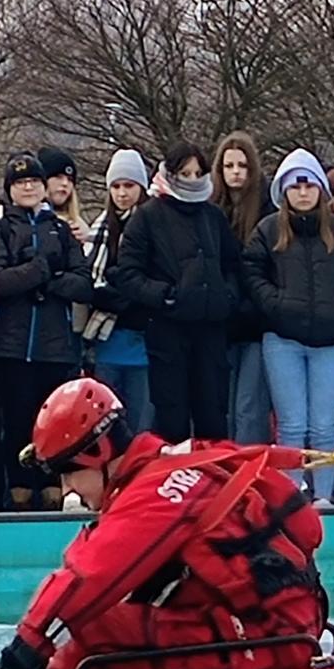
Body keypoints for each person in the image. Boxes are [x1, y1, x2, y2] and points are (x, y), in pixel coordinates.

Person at [0, 378, 330, 669]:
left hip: (269, 642)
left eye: (69, 471)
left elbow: (82, 582)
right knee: (97, 625)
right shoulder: (176, 461)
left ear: (99, 453)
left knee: (88, 640)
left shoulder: (154, 494)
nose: (68, 488)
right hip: (278, 624)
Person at [244, 149, 334, 500]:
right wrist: (275, 305)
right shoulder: (267, 231)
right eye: (295, 186)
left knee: (325, 426)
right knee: (292, 425)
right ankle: (291, 494)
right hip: (283, 339)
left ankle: (323, 497)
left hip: (331, 341)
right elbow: (252, 273)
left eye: (309, 185)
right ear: (283, 191)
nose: (302, 193)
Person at [0, 153, 94, 511]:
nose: (28, 187)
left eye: (33, 182)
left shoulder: (59, 229)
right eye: (20, 182)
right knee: (14, 424)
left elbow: (82, 282)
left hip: (54, 347)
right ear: (10, 189)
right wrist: (40, 269)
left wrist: (50, 282)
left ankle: (50, 485)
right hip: (11, 347)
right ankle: (18, 487)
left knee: (53, 425)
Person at [108, 140, 241, 444]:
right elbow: (127, 273)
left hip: (211, 329)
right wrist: (165, 295)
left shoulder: (213, 216)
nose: (192, 180)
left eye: (198, 173)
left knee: (213, 415)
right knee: (172, 420)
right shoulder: (148, 216)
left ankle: (215, 484)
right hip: (168, 331)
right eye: (184, 173)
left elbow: (233, 265)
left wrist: (227, 297)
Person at [212, 132, 276, 445]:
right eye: (229, 165)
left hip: (255, 325)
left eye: (242, 165)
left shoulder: (267, 212)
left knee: (249, 409)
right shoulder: (211, 211)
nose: (235, 172)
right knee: (221, 407)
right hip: (219, 324)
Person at [87, 149, 155, 432]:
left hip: (143, 343)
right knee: (106, 430)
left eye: (129, 185)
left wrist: (124, 285)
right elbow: (90, 279)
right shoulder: (102, 226)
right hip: (106, 340)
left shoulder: (154, 225)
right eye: (116, 186)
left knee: (141, 428)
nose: (122, 193)